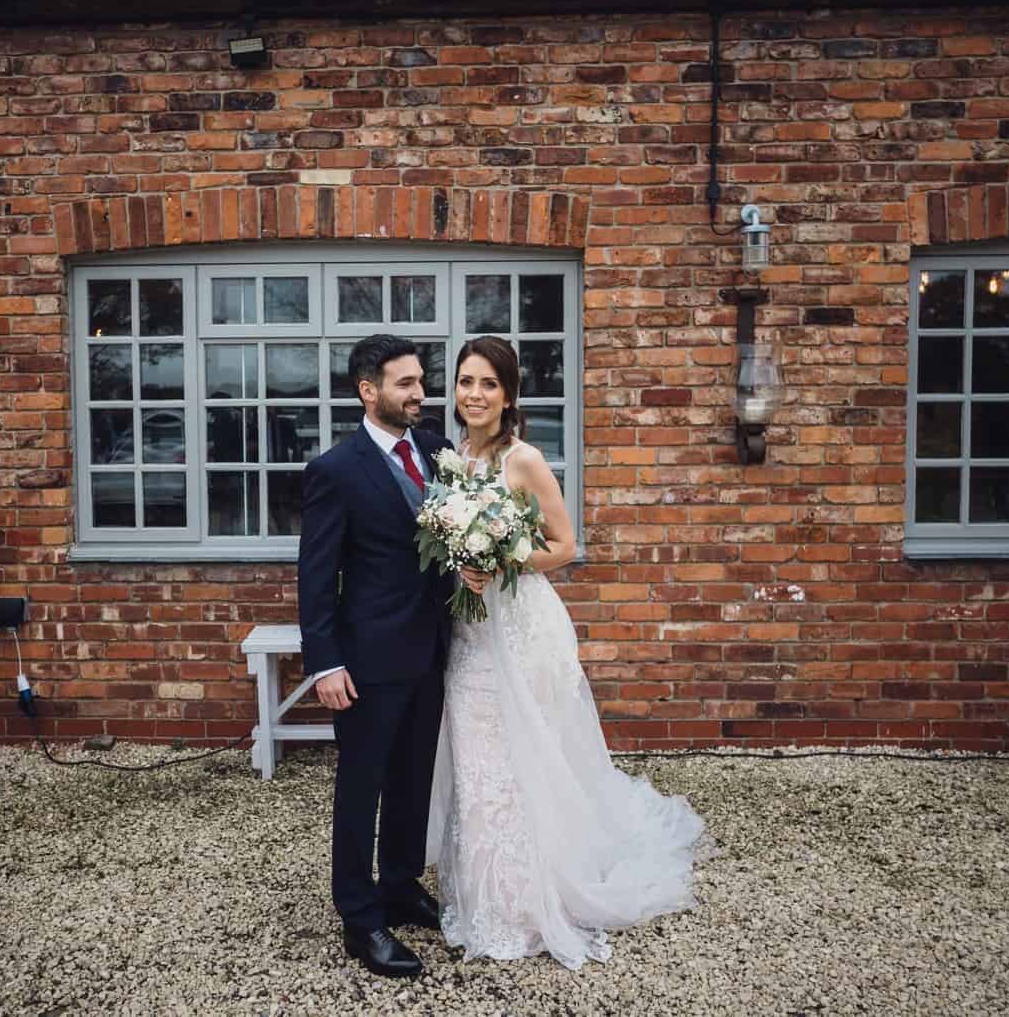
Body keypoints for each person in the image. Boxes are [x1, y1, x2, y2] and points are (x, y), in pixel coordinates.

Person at [427, 335, 714, 970]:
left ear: (509, 396)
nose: (475, 394)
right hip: (471, 633)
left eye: (488, 384)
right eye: (466, 381)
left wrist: (503, 557)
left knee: (523, 757)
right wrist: (461, 559)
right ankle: (484, 897)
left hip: (520, 627)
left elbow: (564, 545)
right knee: (477, 762)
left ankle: (532, 902)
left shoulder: (524, 460)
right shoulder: (453, 459)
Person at [297, 334, 455, 979]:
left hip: (433, 649)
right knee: (362, 789)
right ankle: (360, 918)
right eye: (404, 383)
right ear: (369, 390)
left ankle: (399, 884)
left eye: (420, 380)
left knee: (414, 778)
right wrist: (325, 662)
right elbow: (315, 575)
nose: (419, 393)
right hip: (367, 660)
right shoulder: (336, 470)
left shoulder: (438, 452)